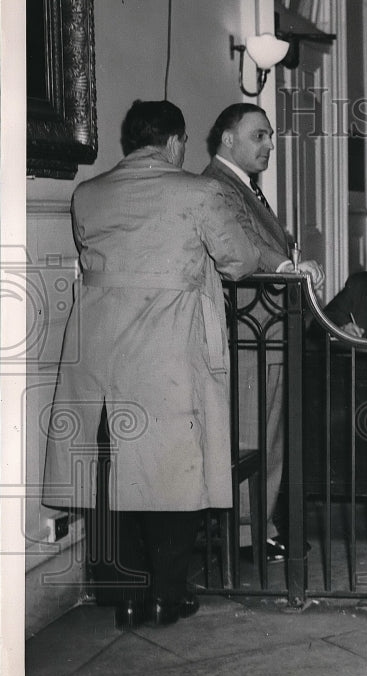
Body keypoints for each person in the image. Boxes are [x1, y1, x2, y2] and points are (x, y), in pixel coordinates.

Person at [42, 99, 260, 629]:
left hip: (97, 352)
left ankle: (127, 597)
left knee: (110, 474)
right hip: (167, 348)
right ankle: (167, 595)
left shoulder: (87, 194)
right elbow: (241, 261)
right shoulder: (198, 192)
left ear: (131, 141)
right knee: (173, 473)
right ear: (174, 143)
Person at [202, 103, 324, 562]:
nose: (270, 145)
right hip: (252, 333)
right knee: (252, 438)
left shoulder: (242, 186)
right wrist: (288, 266)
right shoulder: (218, 185)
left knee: (268, 438)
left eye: (270, 136)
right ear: (228, 139)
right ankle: (246, 535)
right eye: (259, 136)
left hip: (270, 328)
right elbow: (244, 244)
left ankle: (259, 528)